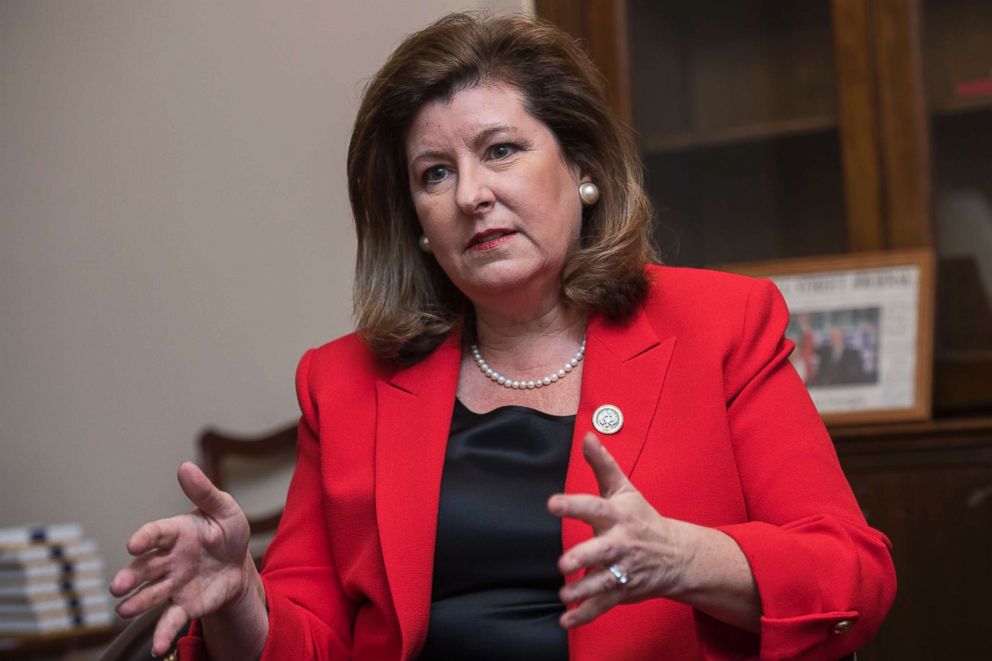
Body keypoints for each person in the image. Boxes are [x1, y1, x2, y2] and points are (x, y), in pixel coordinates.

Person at [109, 12, 896, 660]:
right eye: (434, 174)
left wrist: (684, 557)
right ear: (417, 223)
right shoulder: (342, 383)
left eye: (501, 151)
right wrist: (242, 592)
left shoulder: (722, 325)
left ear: (582, 168)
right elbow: (311, 642)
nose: (472, 195)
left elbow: (852, 576)